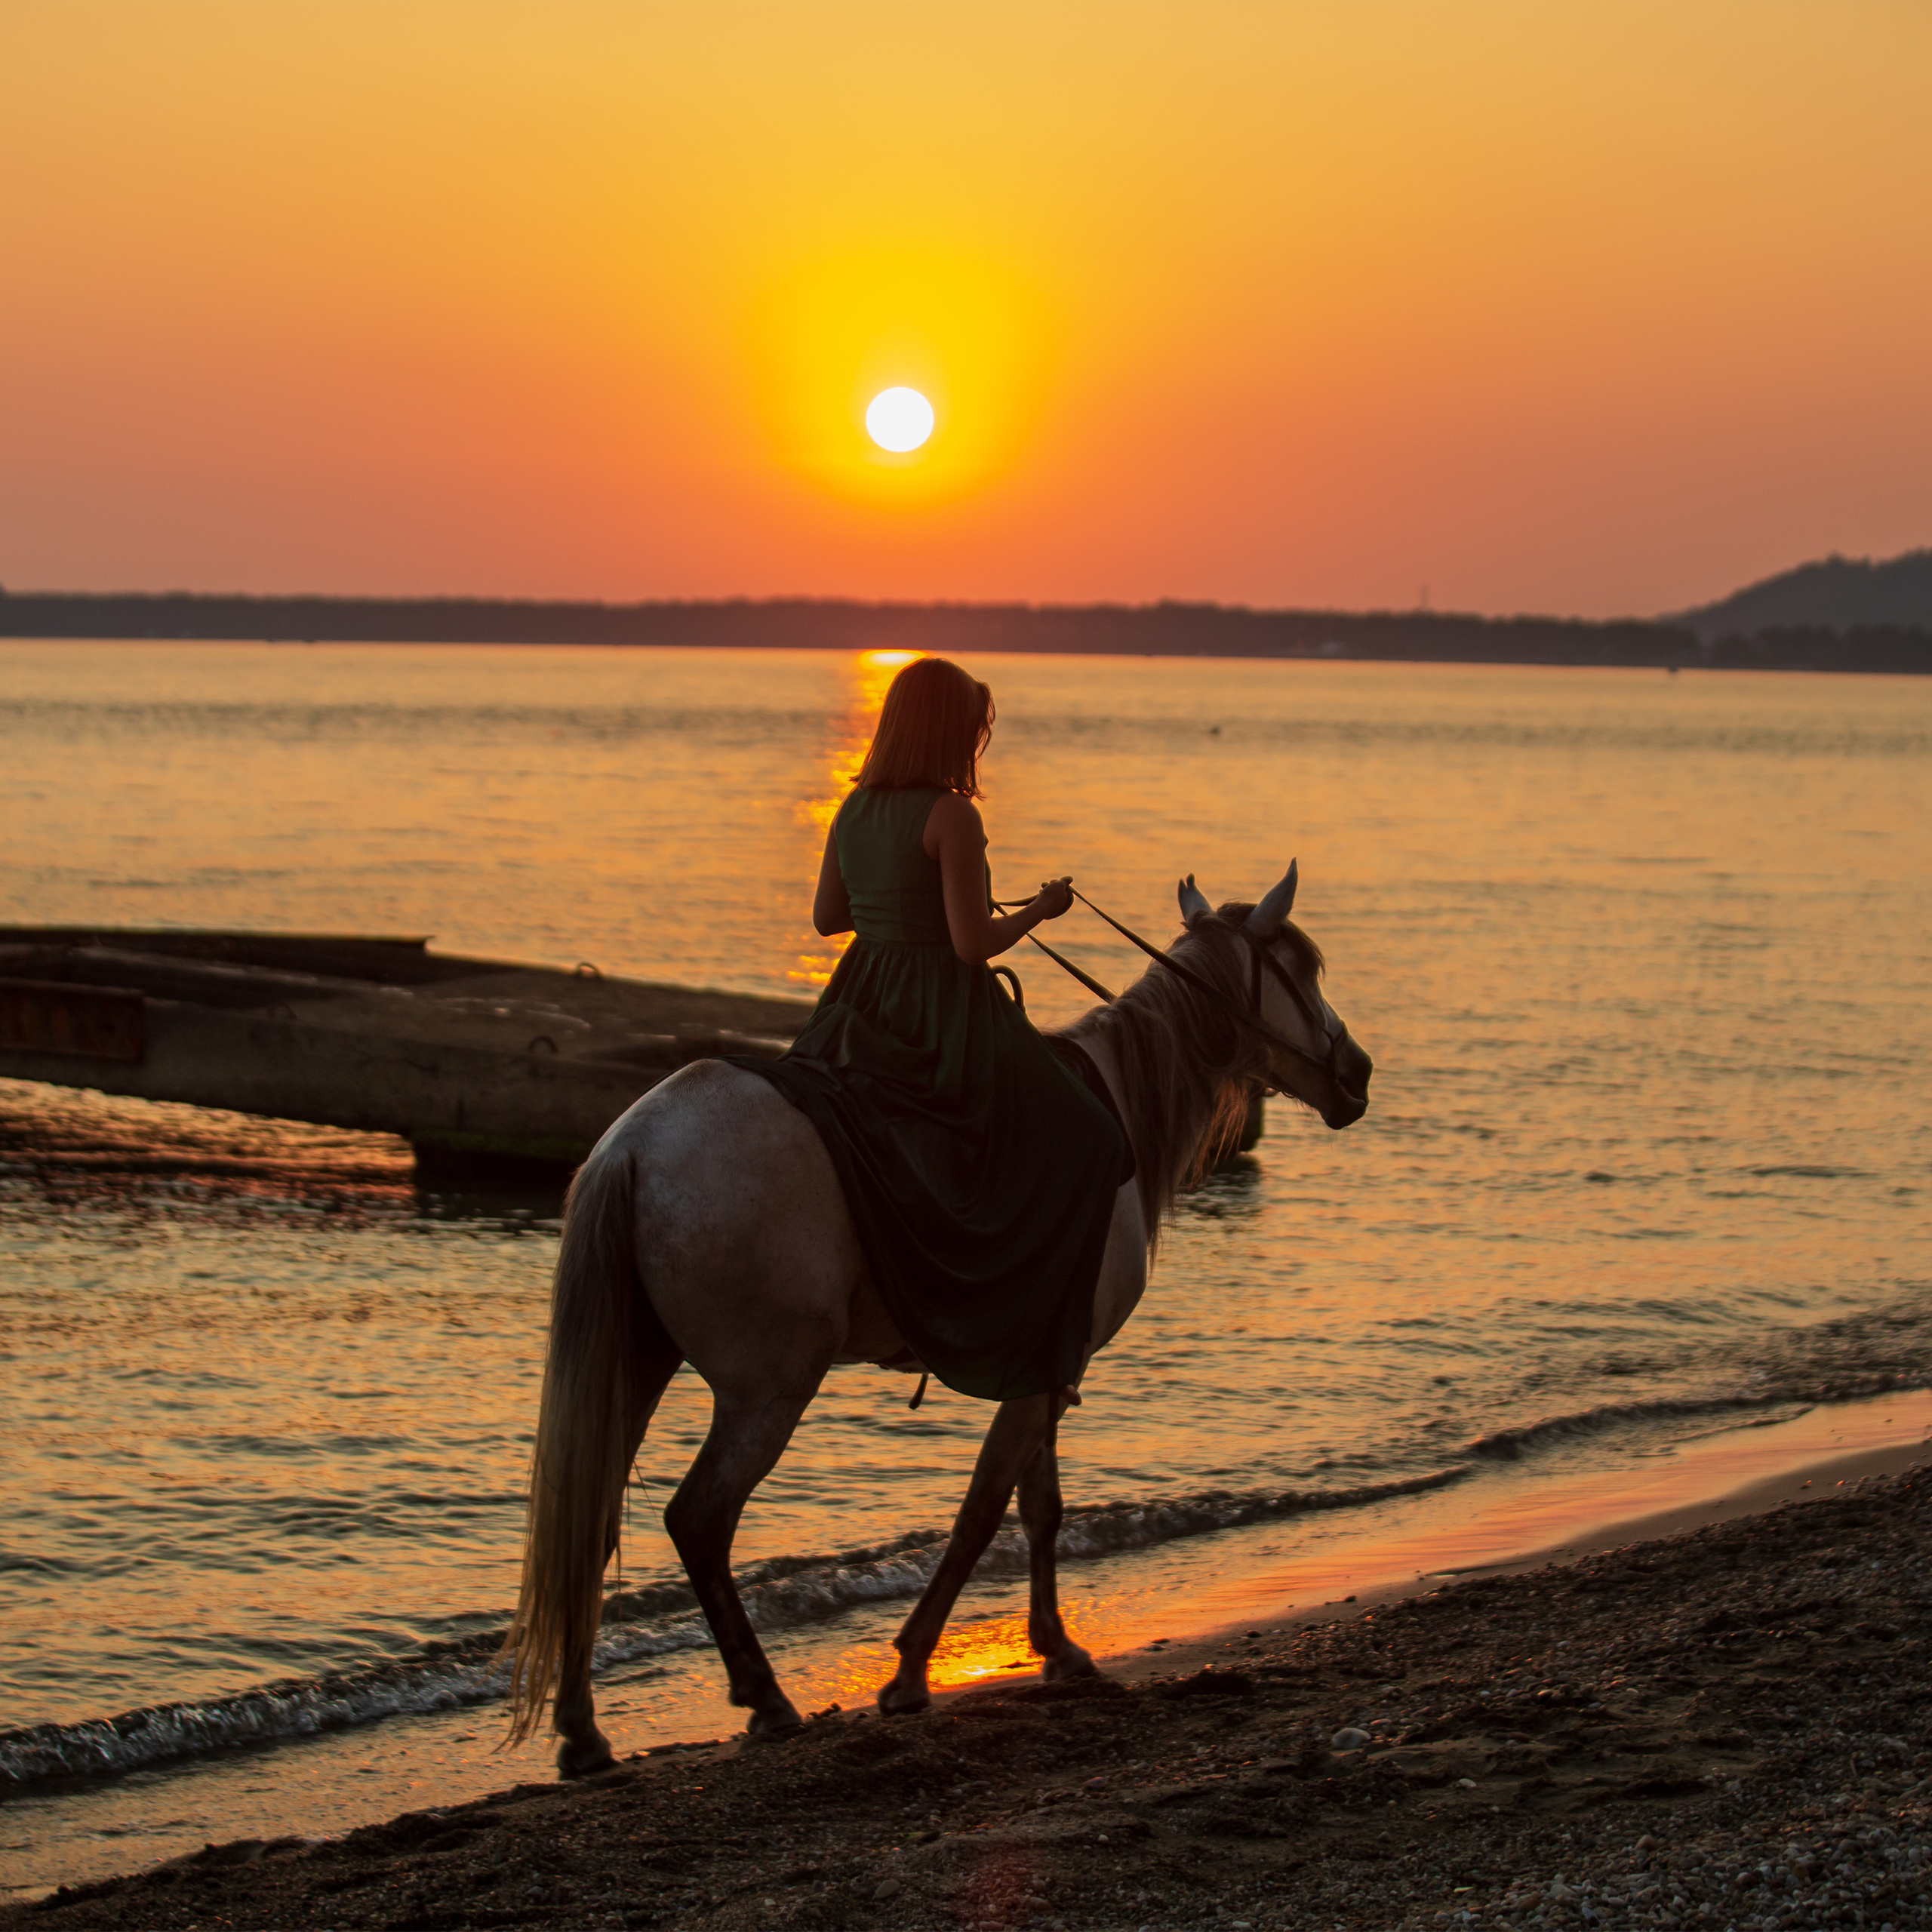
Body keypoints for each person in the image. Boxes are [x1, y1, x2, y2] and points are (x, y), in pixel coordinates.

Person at [729, 657, 1132, 1403]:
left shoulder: (851, 808)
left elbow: (826, 918)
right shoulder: (952, 816)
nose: (977, 745)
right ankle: (1041, 1339)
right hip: (942, 1014)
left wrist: (893, 905)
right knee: (1095, 1139)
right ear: (948, 731)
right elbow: (972, 947)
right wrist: (1041, 910)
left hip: (860, 1003)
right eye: (974, 731)